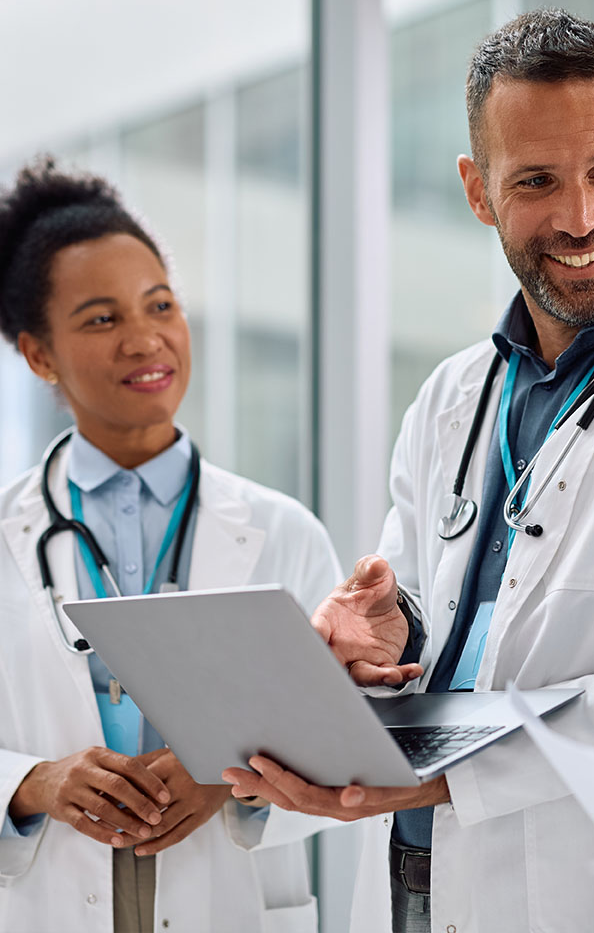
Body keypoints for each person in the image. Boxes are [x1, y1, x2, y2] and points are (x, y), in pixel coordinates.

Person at [223, 9, 594, 933]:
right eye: (537, 181)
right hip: (412, 884)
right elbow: (434, 615)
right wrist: (389, 631)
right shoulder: (451, 395)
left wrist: (449, 773)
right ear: (477, 189)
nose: (582, 219)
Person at [0, 159, 342, 933]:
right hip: (47, 892)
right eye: (100, 319)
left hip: (228, 894)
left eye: (161, 305)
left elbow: (346, 740)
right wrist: (34, 782)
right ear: (38, 354)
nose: (145, 338)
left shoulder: (282, 532)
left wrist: (231, 782)